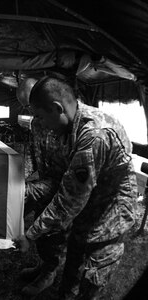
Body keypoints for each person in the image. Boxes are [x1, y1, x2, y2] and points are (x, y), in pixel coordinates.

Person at [17, 76, 137, 299]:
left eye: (42, 117)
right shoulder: (72, 124)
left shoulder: (94, 136)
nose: (41, 124)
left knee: (92, 277)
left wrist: (30, 235)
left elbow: (70, 198)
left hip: (110, 212)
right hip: (89, 201)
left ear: (57, 108)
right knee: (74, 257)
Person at [16, 77, 70, 296]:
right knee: (40, 220)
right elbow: (31, 151)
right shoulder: (36, 122)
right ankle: (45, 264)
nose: (30, 110)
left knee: (54, 231)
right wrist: (24, 175)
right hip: (45, 180)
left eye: (32, 104)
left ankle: (50, 271)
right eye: (26, 107)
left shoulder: (67, 123)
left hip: (64, 186)